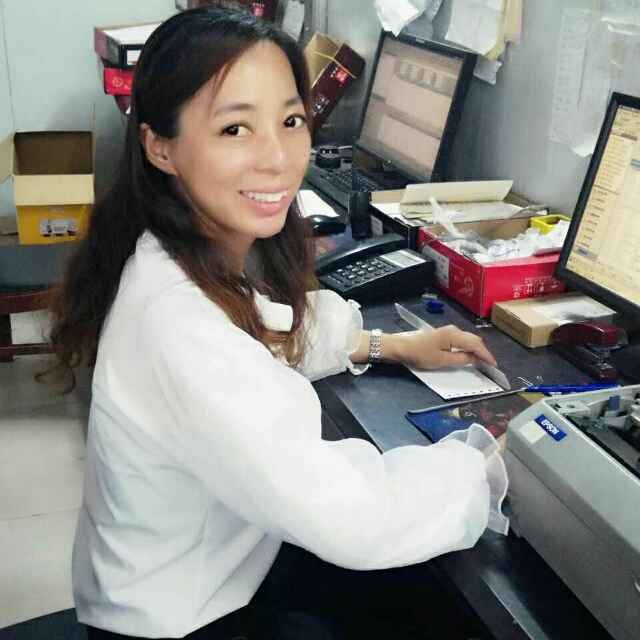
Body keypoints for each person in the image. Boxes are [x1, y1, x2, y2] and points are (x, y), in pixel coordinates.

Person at [44, 7, 508, 640]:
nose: (278, 158)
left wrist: (386, 344)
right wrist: (488, 464)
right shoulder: (179, 325)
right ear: (160, 146)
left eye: (291, 121)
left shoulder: (177, 255)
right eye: (235, 129)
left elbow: (261, 330)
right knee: (432, 604)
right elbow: (354, 519)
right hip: (185, 622)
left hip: (204, 575)